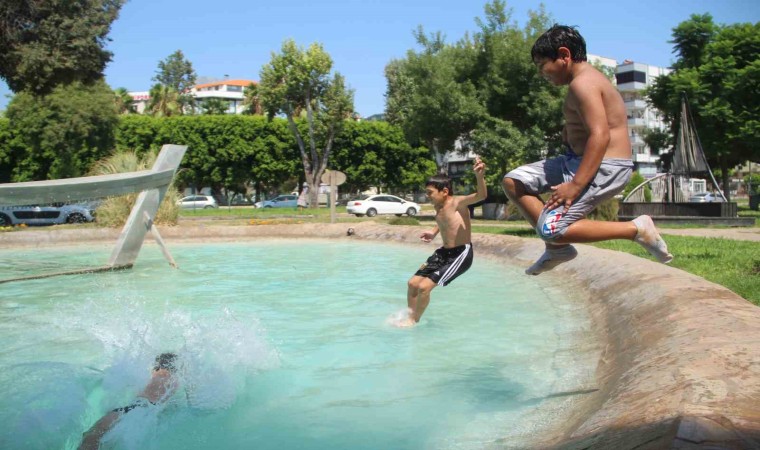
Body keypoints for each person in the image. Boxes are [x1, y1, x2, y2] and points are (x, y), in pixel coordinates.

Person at [502, 24, 672, 275]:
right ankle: (556, 249)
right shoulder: (583, 82)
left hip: (604, 167)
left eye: (542, 65)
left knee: (554, 229)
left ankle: (636, 228)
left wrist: (576, 185)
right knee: (514, 181)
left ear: (564, 55)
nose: (541, 73)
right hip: (575, 160)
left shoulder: (584, 84)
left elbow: (600, 136)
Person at [396, 157, 487, 327]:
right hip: (444, 252)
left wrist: (479, 176)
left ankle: (413, 320)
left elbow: (481, 195)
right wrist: (433, 232)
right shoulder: (438, 206)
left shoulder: (457, 203)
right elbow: (446, 222)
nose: (427, 195)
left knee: (424, 287)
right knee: (412, 283)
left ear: (444, 191)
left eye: (430, 192)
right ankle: (410, 315)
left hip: (461, 254)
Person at [78, 353, 179, 450]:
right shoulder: (171, 380)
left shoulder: (160, 376)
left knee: (93, 435)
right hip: (142, 409)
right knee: (100, 437)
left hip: (138, 408)